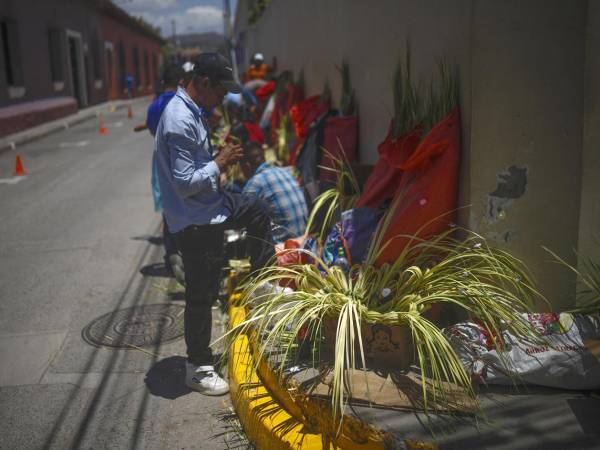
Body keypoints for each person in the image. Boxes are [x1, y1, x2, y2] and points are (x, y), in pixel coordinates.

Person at [155, 53, 275, 395]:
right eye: (221, 91)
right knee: (200, 294)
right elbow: (184, 182)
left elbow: (195, 169)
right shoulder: (179, 119)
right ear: (204, 83)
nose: (223, 99)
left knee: (256, 209)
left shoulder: (193, 111)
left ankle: (262, 282)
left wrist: (214, 159)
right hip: (196, 221)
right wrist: (217, 162)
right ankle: (198, 368)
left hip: (210, 207)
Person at [146, 63, 185, 283]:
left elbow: (152, 130)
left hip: (161, 160)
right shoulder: (185, 102)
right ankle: (186, 254)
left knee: (168, 211)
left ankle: (172, 257)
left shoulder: (154, 106)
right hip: (183, 159)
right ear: (181, 81)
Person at [241, 142, 308, 243]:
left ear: (246, 166)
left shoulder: (255, 183)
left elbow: (242, 219)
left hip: (285, 250)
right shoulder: (286, 171)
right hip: (306, 243)